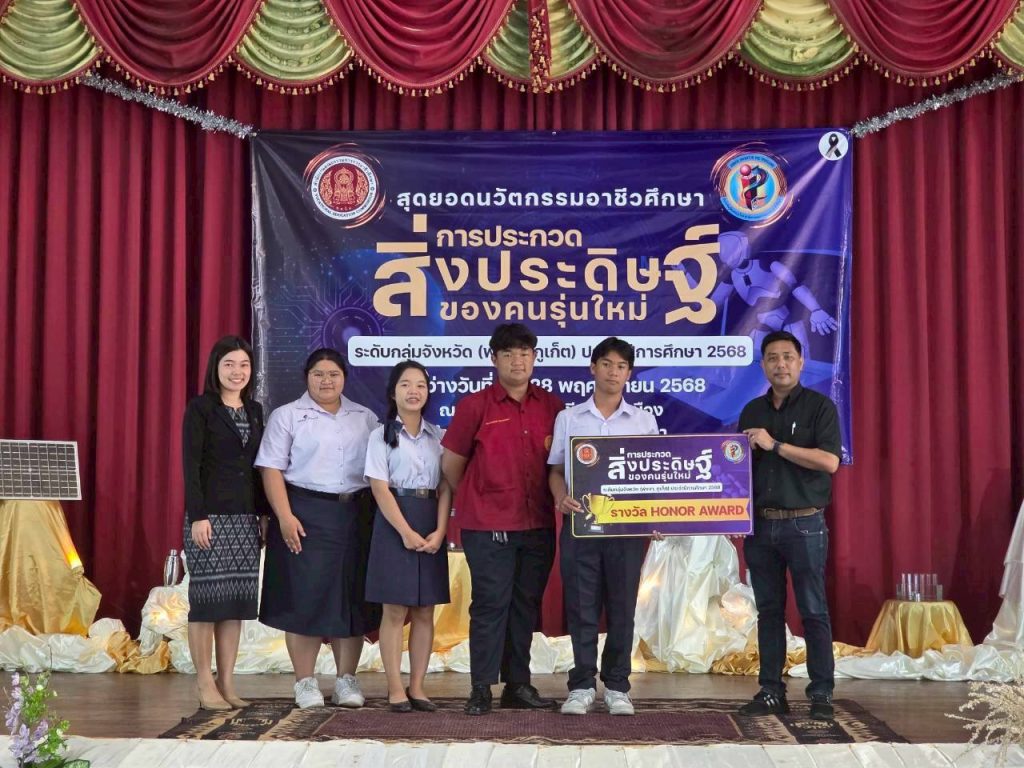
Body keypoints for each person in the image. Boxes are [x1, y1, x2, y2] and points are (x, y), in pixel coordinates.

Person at [441, 323, 564, 715]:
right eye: (509, 354)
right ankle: (481, 687)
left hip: (537, 524)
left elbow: (559, 464)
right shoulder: (475, 406)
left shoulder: (552, 406)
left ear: (534, 358)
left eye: (525, 353)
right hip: (488, 526)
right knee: (490, 605)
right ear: (494, 359)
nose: (518, 361)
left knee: (525, 606)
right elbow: (452, 465)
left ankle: (517, 685)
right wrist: (482, 496)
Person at [255, 348, 381, 709]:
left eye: (333, 374)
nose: (326, 381)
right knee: (304, 598)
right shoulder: (287, 416)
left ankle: (346, 680)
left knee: (351, 600)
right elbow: (271, 469)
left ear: (345, 378)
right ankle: (305, 682)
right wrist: (284, 516)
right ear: (306, 377)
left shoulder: (365, 417)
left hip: (356, 514)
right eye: (318, 374)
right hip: (303, 513)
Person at [547, 337, 659, 716]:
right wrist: (561, 496)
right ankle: (581, 686)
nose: (613, 372)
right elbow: (556, 471)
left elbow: (653, 477)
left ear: (629, 374)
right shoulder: (569, 418)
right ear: (593, 368)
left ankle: (617, 687)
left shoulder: (643, 421)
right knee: (581, 608)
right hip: (581, 527)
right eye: (607, 364)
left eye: (621, 366)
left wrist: (656, 516)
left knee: (622, 608)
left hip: (626, 532)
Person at [738, 330, 841, 721]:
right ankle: (770, 691)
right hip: (761, 527)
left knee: (813, 610)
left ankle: (821, 693)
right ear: (763, 365)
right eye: (772, 358)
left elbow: (829, 462)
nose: (780, 364)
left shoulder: (819, 407)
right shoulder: (752, 411)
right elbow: (737, 470)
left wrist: (775, 445)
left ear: (800, 362)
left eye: (787, 357)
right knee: (768, 612)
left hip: (805, 524)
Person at [182, 335, 268, 710]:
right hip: (210, 519)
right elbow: (191, 467)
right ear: (216, 368)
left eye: (244, 365)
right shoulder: (201, 408)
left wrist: (263, 514)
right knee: (206, 603)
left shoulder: (255, 410)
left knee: (235, 604)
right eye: (229, 364)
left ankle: (227, 684)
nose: (237, 372)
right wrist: (198, 515)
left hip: (245, 519)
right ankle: (204, 684)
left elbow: (259, 468)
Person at [364, 360, 452, 712]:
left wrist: (441, 530)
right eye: (405, 384)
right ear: (393, 392)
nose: (413, 391)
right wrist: (404, 531)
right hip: (393, 521)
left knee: (425, 609)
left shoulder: (439, 436)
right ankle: (395, 688)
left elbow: (446, 487)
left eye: (420, 385)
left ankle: (418, 686)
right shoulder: (381, 435)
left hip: (430, 519)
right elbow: (379, 487)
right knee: (395, 609)